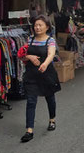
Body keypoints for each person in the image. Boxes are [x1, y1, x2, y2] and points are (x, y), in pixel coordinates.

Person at [20, 15, 61, 143]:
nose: (37, 27)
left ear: (47, 27)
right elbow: (22, 56)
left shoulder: (50, 40)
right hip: (32, 74)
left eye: (40, 25)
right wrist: (30, 57)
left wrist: (45, 63)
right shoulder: (30, 39)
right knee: (31, 101)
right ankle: (29, 130)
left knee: (50, 98)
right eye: (36, 25)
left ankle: (52, 119)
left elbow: (51, 54)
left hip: (47, 73)